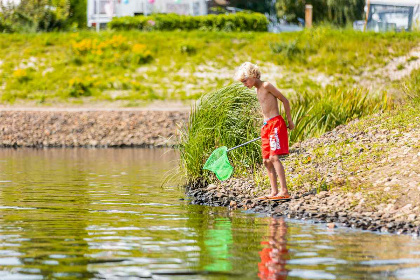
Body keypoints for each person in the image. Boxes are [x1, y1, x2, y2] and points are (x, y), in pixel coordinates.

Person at [234, 62, 294, 200]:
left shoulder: (266, 86)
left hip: (275, 123)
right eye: (242, 82)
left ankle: (284, 190)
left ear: (253, 75)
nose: (245, 84)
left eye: (245, 81)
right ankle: (274, 192)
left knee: (274, 157)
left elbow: (284, 100)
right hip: (266, 126)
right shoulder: (256, 90)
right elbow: (264, 108)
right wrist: (263, 124)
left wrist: (289, 120)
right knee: (266, 160)